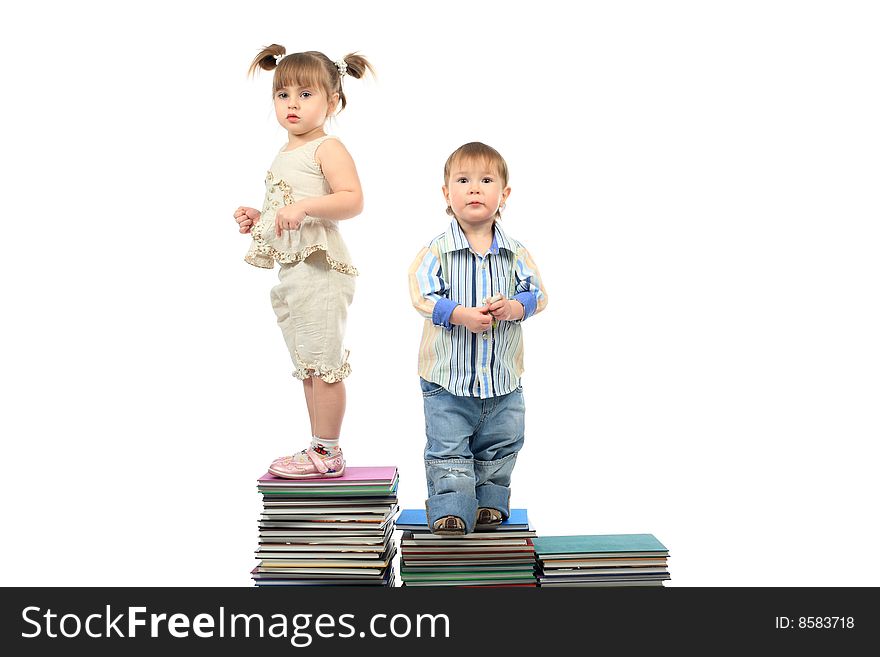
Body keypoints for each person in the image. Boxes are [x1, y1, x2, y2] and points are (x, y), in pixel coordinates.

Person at [233, 45, 373, 478]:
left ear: (332, 102)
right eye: (283, 94)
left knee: (325, 362)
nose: (292, 104)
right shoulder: (285, 152)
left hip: (320, 268)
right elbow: (287, 207)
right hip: (293, 271)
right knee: (309, 363)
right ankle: (316, 446)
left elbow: (352, 200)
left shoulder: (327, 148)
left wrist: (307, 207)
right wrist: (262, 217)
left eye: (306, 94)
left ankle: (328, 450)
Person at [408, 142, 548, 534]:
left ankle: (488, 503)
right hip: (448, 380)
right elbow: (421, 295)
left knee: (500, 447)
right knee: (448, 450)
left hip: (502, 381)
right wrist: (460, 314)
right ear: (446, 194)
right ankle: (451, 508)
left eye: (486, 181)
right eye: (463, 180)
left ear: (503, 194)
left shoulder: (515, 252)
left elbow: (538, 294)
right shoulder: (436, 250)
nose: (474, 189)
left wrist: (514, 308)